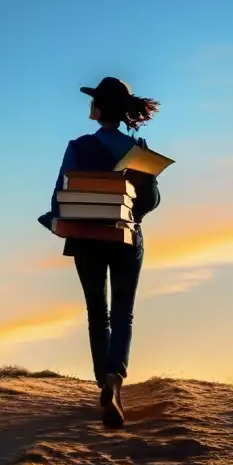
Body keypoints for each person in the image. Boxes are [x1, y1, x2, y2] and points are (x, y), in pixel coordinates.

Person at [39, 76, 161, 429]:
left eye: (92, 101)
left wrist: (54, 219)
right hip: (126, 238)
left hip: (86, 239)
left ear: (99, 109)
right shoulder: (136, 148)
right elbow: (149, 203)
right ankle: (115, 381)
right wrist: (148, 178)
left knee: (98, 314)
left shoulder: (77, 147)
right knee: (123, 313)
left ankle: (101, 385)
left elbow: (58, 197)